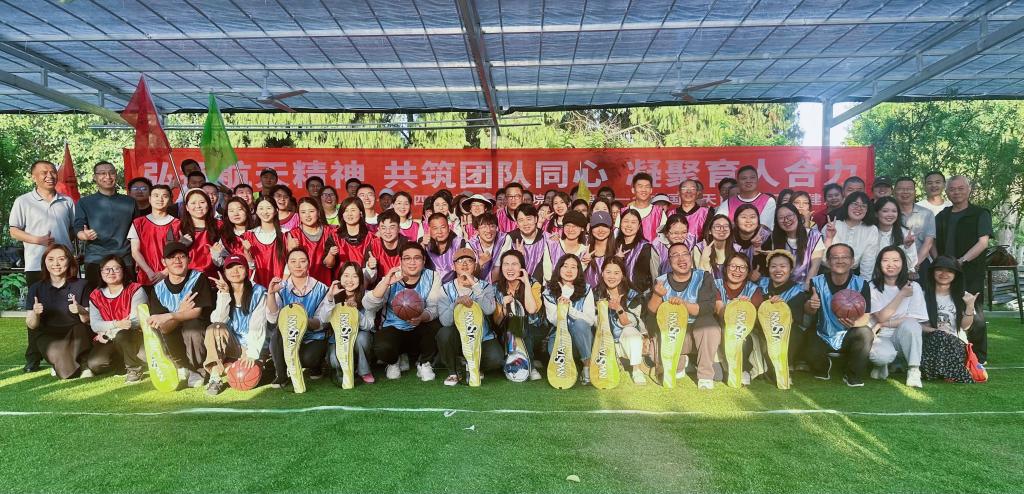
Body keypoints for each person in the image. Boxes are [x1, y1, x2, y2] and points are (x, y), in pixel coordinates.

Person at [9, 160, 76, 372]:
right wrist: (37, 240)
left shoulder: (67, 202)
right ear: (33, 177)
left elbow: (73, 230)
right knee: (36, 311)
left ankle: (69, 352)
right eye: (44, 172)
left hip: (64, 266)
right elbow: (14, 230)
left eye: (53, 172)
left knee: (68, 309)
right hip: (36, 266)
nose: (50, 176)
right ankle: (33, 357)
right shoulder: (23, 201)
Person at [364, 243, 443, 381]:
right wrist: (386, 283)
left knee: (437, 328)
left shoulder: (432, 276)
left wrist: (421, 317)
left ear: (424, 260)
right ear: (400, 261)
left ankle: (424, 362)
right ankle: (394, 361)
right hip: (394, 327)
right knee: (382, 347)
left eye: (417, 258)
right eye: (407, 258)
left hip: (419, 327)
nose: (412, 262)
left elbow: (434, 308)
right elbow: (368, 305)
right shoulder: (392, 277)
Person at [145, 241, 216, 389]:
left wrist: (170, 315)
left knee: (192, 327)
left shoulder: (198, 278)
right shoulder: (158, 289)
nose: (177, 261)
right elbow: (164, 328)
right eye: (172, 257)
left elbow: (196, 312)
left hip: (198, 330)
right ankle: (182, 367)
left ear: (189, 259)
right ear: (164, 262)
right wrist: (178, 312)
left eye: (182, 256)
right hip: (173, 332)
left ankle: (198, 369)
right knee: (161, 333)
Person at [649, 243, 719, 390]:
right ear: (669, 261)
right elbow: (651, 312)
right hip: (674, 333)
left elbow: (707, 308)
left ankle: (705, 375)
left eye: (685, 254)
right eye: (675, 255)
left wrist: (684, 304)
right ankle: (680, 363)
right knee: (652, 352)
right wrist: (657, 295)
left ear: (690, 257)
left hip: (698, 334)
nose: (681, 258)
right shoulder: (661, 280)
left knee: (709, 326)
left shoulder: (703, 277)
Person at [804, 243, 874, 387]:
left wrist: (854, 324)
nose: (840, 260)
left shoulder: (862, 284)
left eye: (845, 257)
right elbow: (807, 311)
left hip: (848, 333)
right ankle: (824, 365)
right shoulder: (816, 282)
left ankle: (852, 375)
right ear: (828, 262)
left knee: (865, 333)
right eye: (835, 257)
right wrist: (811, 305)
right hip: (822, 332)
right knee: (811, 349)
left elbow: (866, 316)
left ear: (852, 261)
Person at [264, 247, 334, 387]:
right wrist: (271, 294)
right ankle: (281, 375)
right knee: (276, 333)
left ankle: (316, 366)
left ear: (309, 263)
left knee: (308, 359)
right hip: (288, 337)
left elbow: (322, 323)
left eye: (302, 261)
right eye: (293, 261)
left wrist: (302, 318)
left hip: (312, 337)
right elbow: (273, 319)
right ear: (287, 265)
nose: (298, 265)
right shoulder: (280, 288)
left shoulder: (321, 288)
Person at [25, 245, 93, 379]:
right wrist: (36, 314)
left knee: (81, 329)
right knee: (68, 374)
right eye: (50, 259)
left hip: (75, 334)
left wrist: (81, 311)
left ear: (69, 261)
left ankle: (84, 363)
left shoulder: (82, 285)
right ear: (44, 262)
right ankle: (61, 360)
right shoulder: (36, 288)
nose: (56, 264)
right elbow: (31, 325)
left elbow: (88, 320)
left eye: (61, 259)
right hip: (48, 335)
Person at [436, 248, 501, 386]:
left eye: (469, 261)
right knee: (444, 334)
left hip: (481, 337)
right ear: (453, 266)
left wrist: (474, 286)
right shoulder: (445, 289)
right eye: (460, 261)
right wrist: (456, 303)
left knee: (496, 358)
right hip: (459, 338)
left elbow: (489, 310)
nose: (464, 264)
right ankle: (454, 371)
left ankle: (473, 366)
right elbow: (445, 322)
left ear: (475, 265)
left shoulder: (485, 286)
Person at [205, 255, 268, 395]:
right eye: (230, 268)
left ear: (247, 270)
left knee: (251, 375)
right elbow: (218, 320)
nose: (235, 271)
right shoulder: (223, 290)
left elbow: (258, 325)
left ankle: (230, 365)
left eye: (240, 267)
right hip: (234, 344)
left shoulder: (258, 292)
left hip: (254, 345)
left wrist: (251, 354)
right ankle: (215, 377)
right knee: (214, 328)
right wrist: (224, 294)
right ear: (225, 272)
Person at [867, 246, 925, 388]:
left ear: (903, 263)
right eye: (885, 260)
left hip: (902, 334)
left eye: (895, 260)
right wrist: (902, 294)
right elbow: (881, 317)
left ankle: (914, 369)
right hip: (880, 336)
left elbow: (913, 320)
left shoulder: (914, 287)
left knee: (912, 326)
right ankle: (882, 365)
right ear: (879, 264)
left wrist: (883, 324)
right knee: (882, 357)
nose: (890, 264)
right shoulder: (871, 286)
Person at [74, 161, 138, 288]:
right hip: (96, 258)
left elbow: (138, 231)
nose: (108, 176)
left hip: (124, 258)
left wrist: (137, 259)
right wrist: (84, 235)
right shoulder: (84, 202)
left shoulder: (130, 202)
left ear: (116, 175)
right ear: (94, 177)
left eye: (111, 173)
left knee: (127, 296)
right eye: (102, 173)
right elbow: (78, 227)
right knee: (96, 296)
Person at [87, 255, 147, 384]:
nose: (111, 272)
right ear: (101, 272)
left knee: (143, 355)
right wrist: (117, 324)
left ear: (123, 270)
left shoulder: (135, 289)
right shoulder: (95, 295)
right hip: (109, 339)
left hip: (133, 336)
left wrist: (109, 331)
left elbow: (135, 321)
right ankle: (122, 362)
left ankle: (134, 369)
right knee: (95, 363)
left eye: (116, 268)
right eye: (106, 269)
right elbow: (95, 325)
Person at [922, 256, 983, 379]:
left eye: (949, 271)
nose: (944, 274)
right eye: (940, 269)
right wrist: (936, 331)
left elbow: (965, 327)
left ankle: (942, 370)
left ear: (956, 275)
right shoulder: (922, 295)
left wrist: (970, 306)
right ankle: (948, 371)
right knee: (939, 336)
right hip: (929, 343)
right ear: (932, 272)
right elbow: (916, 325)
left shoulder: (964, 296)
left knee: (944, 338)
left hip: (956, 344)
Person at [319, 262, 377, 385]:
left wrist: (355, 312)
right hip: (338, 338)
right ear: (340, 277)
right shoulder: (332, 294)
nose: (350, 280)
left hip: (360, 337)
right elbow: (323, 320)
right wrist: (330, 298)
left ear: (360, 279)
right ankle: (345, 370)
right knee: (335, 362)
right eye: (346, 275)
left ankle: (364, 370)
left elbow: (369, 325)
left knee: (362, 339)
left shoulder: (367, 296)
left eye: (354, 276)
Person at [543, 254, 596, 385]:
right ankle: (574, 366)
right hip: (558, 334)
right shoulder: (548, 291)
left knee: (580, 324)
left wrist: (570, 309)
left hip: (581, 338)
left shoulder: (586, 289)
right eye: (565, 266)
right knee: (559, 364)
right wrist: (562, 302)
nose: (569, 270)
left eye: (573, 267)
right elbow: (554, 321)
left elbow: (590, 320)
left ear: (578, 270)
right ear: (559, 269)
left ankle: (587, 367)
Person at [935, 176, 992, 299]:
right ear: (947, 192)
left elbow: (983, 243)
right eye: (952, 189)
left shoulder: (980, 214)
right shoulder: (942, 216)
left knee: (970, 307)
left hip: (971, 273)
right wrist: (938, 262)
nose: (956, 192)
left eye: (961, 188)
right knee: (945, 306)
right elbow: (932, 242)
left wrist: (961, 261)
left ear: (969, 189)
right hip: (945, 272)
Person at [492, 250, 544, 380]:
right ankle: (520, 362)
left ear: (521, 267)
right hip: (507, 333)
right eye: (506, 264)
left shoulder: (533, 284)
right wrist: (504, 306)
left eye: (514, 264)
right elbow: (497, 321)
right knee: (513, 324)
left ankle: (530, 366)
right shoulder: (496, 288)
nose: (510, 268)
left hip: (533, 329)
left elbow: (532, 310)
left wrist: (526, 284)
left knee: (521, 324)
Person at [713, 253, 764, 385]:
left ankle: (744, 369)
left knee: (744, 338)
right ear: (726, 268)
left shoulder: (753, 289)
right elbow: (719, 310)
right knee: (717, 375)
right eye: (733, 266)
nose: (737, 271)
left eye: (742, 267)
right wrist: (735, 306)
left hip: (745, 332)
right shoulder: (716, 285)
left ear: (748, 271)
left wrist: (747, 309)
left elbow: (758, 319)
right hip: (721, 329)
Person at [596, 256, 647, 385]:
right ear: (602, 274)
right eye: (608, 272)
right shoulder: (596, 294)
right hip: (603, 342)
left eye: (616, 273)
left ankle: (636, 370)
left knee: (631, 332)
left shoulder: (633, 295)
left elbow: (629, 324)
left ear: (623, 275)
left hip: (625, 342)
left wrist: (619, 308)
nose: (612, 277)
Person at [758, 250, 809, 369]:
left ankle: (786, 364)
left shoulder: (797, 291)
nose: (778, 270)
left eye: (783, 266)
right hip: (761, 328)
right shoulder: (761, 284)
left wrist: (781, 307)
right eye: (773, 266)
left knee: (795, 332)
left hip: (783, 331)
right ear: (768, 268)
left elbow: (794, 319)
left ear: (790, 269)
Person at [129, 185, 181, 285]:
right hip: (146, 276)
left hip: (172, 276)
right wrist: (149, 272)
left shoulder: (177, 223)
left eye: (164, 196)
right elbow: (135, 251)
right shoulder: (138, 223)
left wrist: (165, 272)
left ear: (170, 200)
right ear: (149, 199)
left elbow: (180, 252)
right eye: (156, 195)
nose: (160, 199)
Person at [763, 204, 824, 288]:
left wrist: (807, 287)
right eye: (781, 218)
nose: (786, 220)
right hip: (782, 288)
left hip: (806, 287)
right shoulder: (774, 237)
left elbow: (815, 266)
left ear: (798, 216)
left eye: (789, 215)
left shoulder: (814, 235)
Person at [823, 191, 879, 279]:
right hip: (828, 273)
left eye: (863, 206)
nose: (859, 208)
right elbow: (823, 259)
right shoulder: (833, 225)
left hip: (855, 274)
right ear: (847, 206)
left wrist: (864, 283)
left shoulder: (871, 229)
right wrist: (829, 238)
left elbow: (868, 261)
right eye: (855, 204)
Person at [286, 197, 340, 285]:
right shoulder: (293, 234)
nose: (307, 215)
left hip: (326, 283)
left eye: (311, 211)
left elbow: (331, 264)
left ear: (318, 212)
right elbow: (289, 265)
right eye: (303, 212)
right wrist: (291, 249)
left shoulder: (330, 232)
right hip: (302, 285)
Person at [894, 177, 935, 282]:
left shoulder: (927, 214)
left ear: (915, 192)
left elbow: (928, 243)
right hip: (892, 263)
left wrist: (914, 265)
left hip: (919, 263)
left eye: (909, 189)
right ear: (894, 191)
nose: (905, 192)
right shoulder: (888, 213)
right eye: (901, 189)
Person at [244, 196, 287, 288]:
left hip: (280, 286)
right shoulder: (249, 235)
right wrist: (246, 252)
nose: (265, 212)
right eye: (261, 208)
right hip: (257, 286)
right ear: (256, 211)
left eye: (268, 208)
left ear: (276, 210)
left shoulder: (286, 234)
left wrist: (283, 283)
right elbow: (248, 266)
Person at [615, 209, 660, 295]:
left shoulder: (646, 247)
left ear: (639, 226)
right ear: (620, 224)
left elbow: (652, 276)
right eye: (625, 221)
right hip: (615, 294)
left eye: (633, 222)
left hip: (638, 297)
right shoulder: (614, 245)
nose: (629, 225)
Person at [180, 188, 221, 279]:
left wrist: (218, 253)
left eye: (202, 202)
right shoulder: (179, 227)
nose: (198, 206)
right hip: (187, 279)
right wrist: (180, 245)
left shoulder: (220, 226)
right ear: (187, 207)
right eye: (193, 203)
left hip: (215, 278)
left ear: (209, 205)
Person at [874, 197, 918, 277]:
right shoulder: (870, 232)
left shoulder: (906, 233)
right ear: (876, 213)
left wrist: (906, 247)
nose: (890, 214)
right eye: (885, 211)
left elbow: (911, 265)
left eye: (894, 211)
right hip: (873, 276)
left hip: (898, 278)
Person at [542, 210, 588, 282]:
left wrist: (584, 263)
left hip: (575, 288)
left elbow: (580, 276)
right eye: (567, 225)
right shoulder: (552, 245)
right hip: (552, 286)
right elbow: (547, 275)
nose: (570, 229)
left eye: (575, 226)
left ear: (582, 228)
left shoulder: (585, 251)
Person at [507, 204, 548, 283]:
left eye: (529, 219)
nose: (525, 223)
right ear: (517, 223)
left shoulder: (547, 239)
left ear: (536, 219)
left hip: (540, 287)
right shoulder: (510, 238)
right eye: (521, 220)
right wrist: (518, 257)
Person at [693, 214, 739, 280]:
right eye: (717, 226)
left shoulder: (737, 248)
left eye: (726, 226)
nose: (722, 229)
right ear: (710, 231)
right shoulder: (699, 248)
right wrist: (704, 258)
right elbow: (701, 277)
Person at [466, 212, 508, 283]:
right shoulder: (471, 245)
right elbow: (469, 275)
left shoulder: (504, 239)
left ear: (496, 228)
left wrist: (490, 288)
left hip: (500, 283)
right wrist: (480, 263)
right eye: (484, 227)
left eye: (492, 226)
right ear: (477, 231)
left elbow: (499, 268)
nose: (488, 230)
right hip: (477, 285)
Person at [624, 173, 667, 242]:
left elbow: (665, 238)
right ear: (633, 190)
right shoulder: (623, 212)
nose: (643, 190)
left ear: (651, 190)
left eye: (647, 186)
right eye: (640, 186)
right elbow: (616, 236)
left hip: (652, 249)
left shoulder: (659, 213)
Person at [212, 197, 254, 268]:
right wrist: (216, 254)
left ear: (247, 211)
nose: (236, 214)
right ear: (227, 215)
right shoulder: (225, 237)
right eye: (231, 211)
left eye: (240, 209)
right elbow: (222, 264)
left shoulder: (257, 233)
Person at [424, 212, 465, 284]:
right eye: (435, 228)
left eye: (443, 227)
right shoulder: (424, 244)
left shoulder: (459, 243)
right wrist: (422, 246)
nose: (439, 232)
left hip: (454, 286)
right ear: (429, 230)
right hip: (431, 287)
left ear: (449, 228)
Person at [732, 203, 771, 277]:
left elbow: (768, 266)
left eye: (752, 217)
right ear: (736, 221)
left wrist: (757, 249)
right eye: (743, 217)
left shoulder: (766, 236)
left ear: (758, 220)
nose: (748, 221)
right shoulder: (730, 236)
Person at [335, 196, 373, 267]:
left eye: (353, 210)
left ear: (361, 213)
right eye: (346, 210)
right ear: (342, 214)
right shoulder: (335, 236)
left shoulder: (371, 237)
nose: (349, 214)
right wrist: (331, 254)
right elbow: (328, 264)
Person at [584, 211, 616, 286]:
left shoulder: (617, 251)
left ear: (611, 229)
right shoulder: (583, 250)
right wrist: (582, 263)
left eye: (604, 226)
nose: (600, 230)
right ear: (590, 229)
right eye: (596, 226)